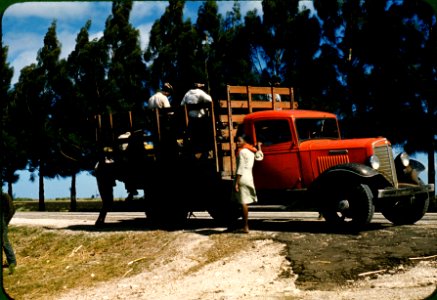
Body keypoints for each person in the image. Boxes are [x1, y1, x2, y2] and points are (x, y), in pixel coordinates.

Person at [230, 133, 259, 233]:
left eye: (239, 141)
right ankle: (243, 225)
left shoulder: (242, 152)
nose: (237, 143)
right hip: (249, 177)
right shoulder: (251, 152)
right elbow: (260, 157)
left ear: (245, 141)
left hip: (242, 178)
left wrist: (237, 182)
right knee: (244, 202)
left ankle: (245, 226)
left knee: (243, 203)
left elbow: (240, 168)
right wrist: (259, 147)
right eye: (236, 141)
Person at [180, 83, 213, 159]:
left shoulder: (187, 94)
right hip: (201, 120)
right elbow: (209, 100)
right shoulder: (200, 92)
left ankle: (193, 154)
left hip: (191, 120)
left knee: (192, 137)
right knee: (208, 132)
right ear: (198, 87)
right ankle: (206, 152)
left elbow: (182, 104)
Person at [2, 192, 16, 275]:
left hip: (2, 223)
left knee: (5, 242)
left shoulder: (4, 196)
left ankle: (12, 262)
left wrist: (5, 222)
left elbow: (12, 210)